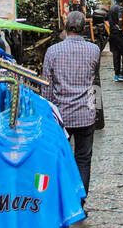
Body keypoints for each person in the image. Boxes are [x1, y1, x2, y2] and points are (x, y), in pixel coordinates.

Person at [42, 11, 102, 198]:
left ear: (65, 27)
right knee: (83, 159)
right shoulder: (94, 50)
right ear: (84, 28)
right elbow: (95, 81)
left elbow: (46, 86)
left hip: (62, 115)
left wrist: (49, 112)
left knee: (59, 158)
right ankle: (79, 200)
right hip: (86, 113)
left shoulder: (52, 51)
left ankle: (63, 200)